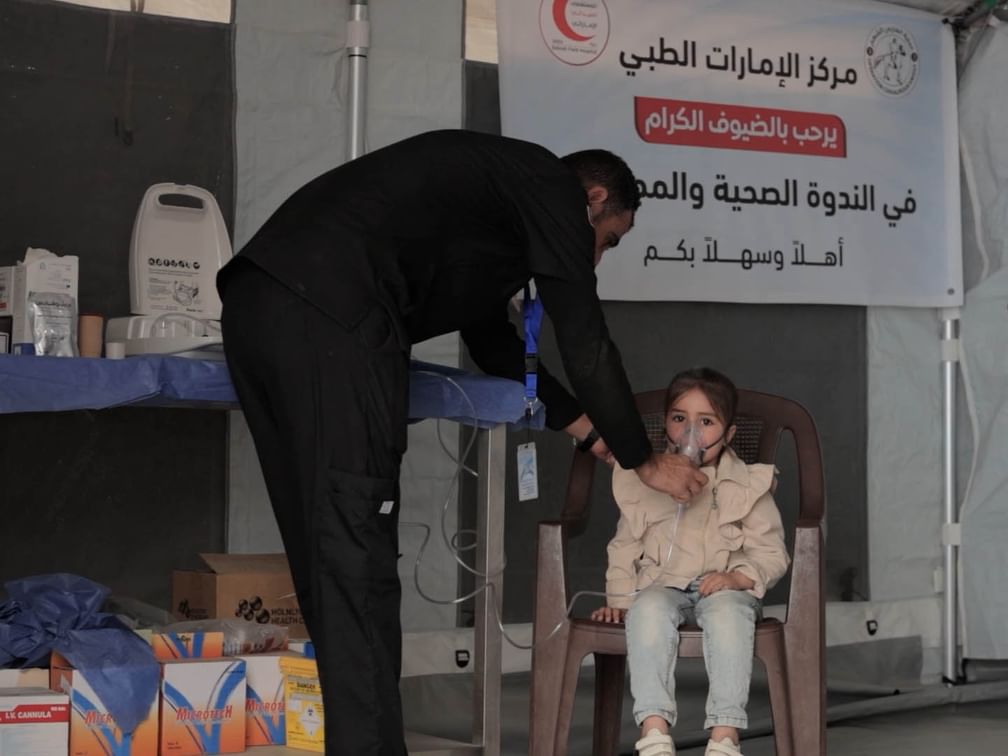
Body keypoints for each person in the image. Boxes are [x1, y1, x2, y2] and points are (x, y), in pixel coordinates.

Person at [217, 129, 707, 755]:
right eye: (607, 239)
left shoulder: (492, 204)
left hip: (257, 305)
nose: (596, 259)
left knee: (327, 554)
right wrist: (643, 459)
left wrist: (588, 432)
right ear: (592, 199)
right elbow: (586, 341)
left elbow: (496, 345)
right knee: (357, 555)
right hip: (332, 314)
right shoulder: (552, 189)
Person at [591, 368, 790, 756]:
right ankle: (654, 730)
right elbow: (624, 546)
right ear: (664, 424)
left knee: (728, 614)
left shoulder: (748, 485)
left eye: (706, 422)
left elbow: (772, 552)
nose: (690, 433)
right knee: (647, 608)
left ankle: (725, 733)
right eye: (679, 418)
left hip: (724, 590)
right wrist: (619, 601)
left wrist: (738, 577)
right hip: (662, 585)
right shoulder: (645, 479)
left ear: (728, 434)